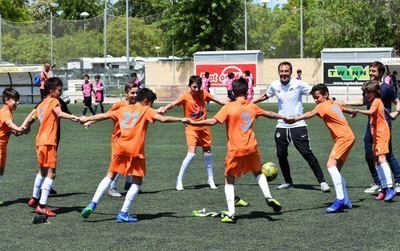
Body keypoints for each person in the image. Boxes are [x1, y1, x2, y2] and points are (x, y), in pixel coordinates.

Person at [80, 88, 186, 223]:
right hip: (135, 150)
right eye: (152, 103)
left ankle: (93, 203)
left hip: (120, 148)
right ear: (146, 101)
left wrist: (87, 118)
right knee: (137, 181)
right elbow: (163, 119)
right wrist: (181, 119)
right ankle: (123, 212)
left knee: (110, 176)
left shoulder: (123, 109)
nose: (152, 106)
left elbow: (104, 115)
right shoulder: (146, 110)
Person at [187, 78, 284, 223]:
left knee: (229, 179)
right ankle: (268, 196)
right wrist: (285, 118)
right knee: (258, 172)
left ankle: (231, 214)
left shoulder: (229, 107)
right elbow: (269, 114)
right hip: (252, 148)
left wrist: (194, 122)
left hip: (235, 150)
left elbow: (212, 121)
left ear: (233, 92)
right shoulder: (252, 106)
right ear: (247, 91)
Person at [253, 61, 330, 192]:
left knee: (307, 153)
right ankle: (288, 181)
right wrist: (250, 102)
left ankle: (322, 181)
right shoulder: (274, 85)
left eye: (286, 71)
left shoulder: (299, 84)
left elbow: (315, 92)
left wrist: (328, 100)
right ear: (279, 72)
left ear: (290, 72)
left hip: (298, 125)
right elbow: (267, 95)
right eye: (281, 71)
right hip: (281, 126)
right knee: (281, 155)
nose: (284, 74)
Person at [287, 84, 356, 212]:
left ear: (325, 95)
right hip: (349, 137)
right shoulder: (332, 103)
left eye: (317, 97)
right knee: (336, 169)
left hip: (343, 138)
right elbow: (343, 109)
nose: (316, 100)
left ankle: (340, 199)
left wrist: (296, 118)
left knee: (330, 165)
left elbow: (310, 113)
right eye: (314, 98)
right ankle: (345, 200)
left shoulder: (322, 105)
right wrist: (351, 111)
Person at [158, 75, 226, 191]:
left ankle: (211, 179)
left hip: (204, 127)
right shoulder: (185, 96)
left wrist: (232, 104)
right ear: (189, 86)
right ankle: (179, 180)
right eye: (194, 87)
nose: (196, 89)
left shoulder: (204, 93)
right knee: (191, 153)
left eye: (198, 87)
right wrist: (165, 108)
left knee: (208, 153)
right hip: (191, 127)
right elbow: (173, 104)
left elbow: (218, 101)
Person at [24, 77, 80, 217]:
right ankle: (42, 206)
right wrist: (77, 118)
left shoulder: (42, 104)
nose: (61, 93)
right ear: (51, 91)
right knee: (51, 173)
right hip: (49, 141)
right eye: (59, 90)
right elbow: (59, 113)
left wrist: (27, 127)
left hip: (39, 141)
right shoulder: (54, 101)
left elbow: (32, 118)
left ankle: (35, 198)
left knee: (42, 171)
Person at [343, 61, 400, 194]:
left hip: (384, 125)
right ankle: (378, 182)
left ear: (380, 73)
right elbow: (364, 102)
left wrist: (396, 112)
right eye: (370, 71)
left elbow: (397, 101)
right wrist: (346, 103)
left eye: (373, 71)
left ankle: (398, 181)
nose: (371, 73)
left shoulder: (386, 88)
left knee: (387, 154)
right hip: (371, 125)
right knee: (369, 154)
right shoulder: (369, 87)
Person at [354, 80, 396, 201]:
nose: (366, 95)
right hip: (375, 134)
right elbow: (383, 110)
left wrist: (357, 111)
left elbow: (371, 111)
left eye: (368, 92)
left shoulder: (376, 101)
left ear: (375, 92)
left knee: (382, 158)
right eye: (365, 92)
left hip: (382, 133)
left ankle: (390, 188)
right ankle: (383, 189)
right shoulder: (376, 102)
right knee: (376, 160)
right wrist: (389, 114)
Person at [0, 88, 25, 203]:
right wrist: (19, 128)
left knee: (1, 171)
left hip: (3, 147)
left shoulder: (9, 111)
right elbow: (9, 123)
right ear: (6, 100)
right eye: (15, 100)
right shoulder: (5, 111)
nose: (17, 102)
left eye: (17, 99)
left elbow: (7, 128)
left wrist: (16, 132)